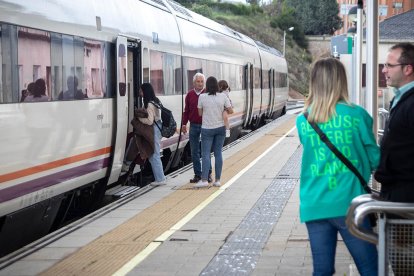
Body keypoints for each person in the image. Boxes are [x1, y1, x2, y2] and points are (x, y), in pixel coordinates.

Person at [296, 58, 379, 276]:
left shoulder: (304, 120)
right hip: (351, 205)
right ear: (341, 81)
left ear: (314, 82)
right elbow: (375, 159)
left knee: (322, 271)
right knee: (370, 269)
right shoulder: (357, 115)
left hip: (314, 202)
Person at [374, 42, 414, 203]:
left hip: (406, 196)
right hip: (395, 191)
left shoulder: (411, 102)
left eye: (389, 66)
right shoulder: (400, 98)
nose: (384, 70)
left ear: (408, 69)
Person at [195, 76, 233, 188]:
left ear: (207, 85)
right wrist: (223, 110)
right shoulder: (223, 96)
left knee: (206, 154)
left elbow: (200, 113)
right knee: (218, 153)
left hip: (207, 129)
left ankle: (204, 180)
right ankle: (217, 180)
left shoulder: (202, 97)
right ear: (217, 85)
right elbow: (230, 110)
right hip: (220, 128)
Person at [181, 73, 212, 183]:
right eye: (198, 81)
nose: (200, 84)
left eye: (202, 81)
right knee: (194, 151)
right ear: (194, 83)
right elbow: (186, 111)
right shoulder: (189, 95)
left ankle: (207, 174)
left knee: (205, 151)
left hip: (206, 125)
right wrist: (184, 124)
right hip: (193, 126)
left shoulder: (208, 94)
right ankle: (198, 174)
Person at [137, 83, 167, 186]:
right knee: (154, 154)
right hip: (157, 127)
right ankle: (160, 177)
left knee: (154, 155)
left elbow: (149, 121)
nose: (140, 93)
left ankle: (161, 179)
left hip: (154, 129)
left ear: (145, 91)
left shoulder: (149, 104)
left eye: (141, 91)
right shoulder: (155, 100)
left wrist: (139, 118)